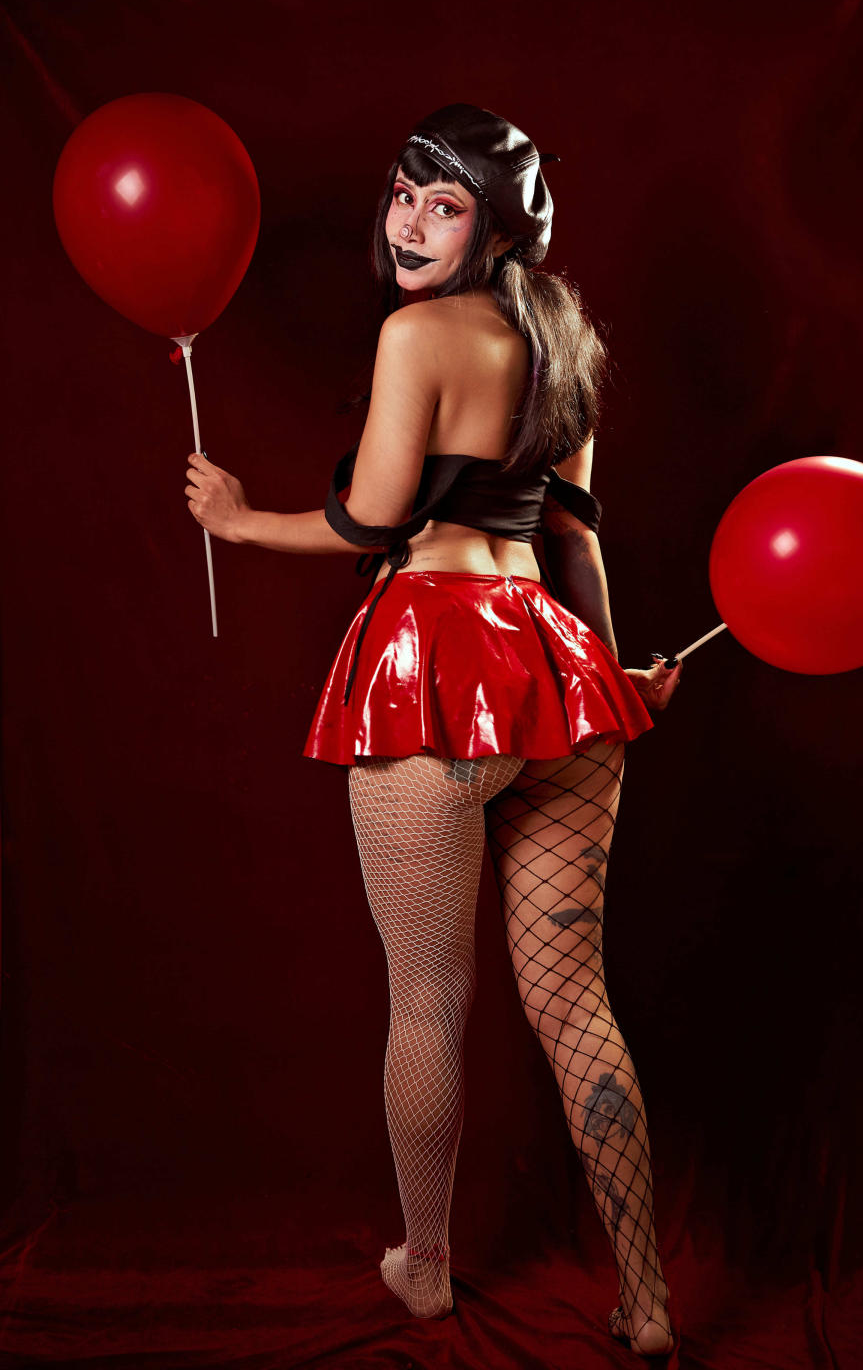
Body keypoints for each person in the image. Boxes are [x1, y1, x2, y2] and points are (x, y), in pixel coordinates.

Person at [183, 103, 682, 1358]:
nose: (409, 223)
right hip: (556, 668)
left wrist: (238, 522)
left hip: (435, 668)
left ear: (497, 228)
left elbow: (369, 520)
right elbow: (572, 534)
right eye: (404, 194)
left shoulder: (416, 335)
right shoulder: (564, 339)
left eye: (443, 205)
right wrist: (616, 669)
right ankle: (648, 1300)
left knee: (427, 1003)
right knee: (576, 1002)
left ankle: (426, 1265)